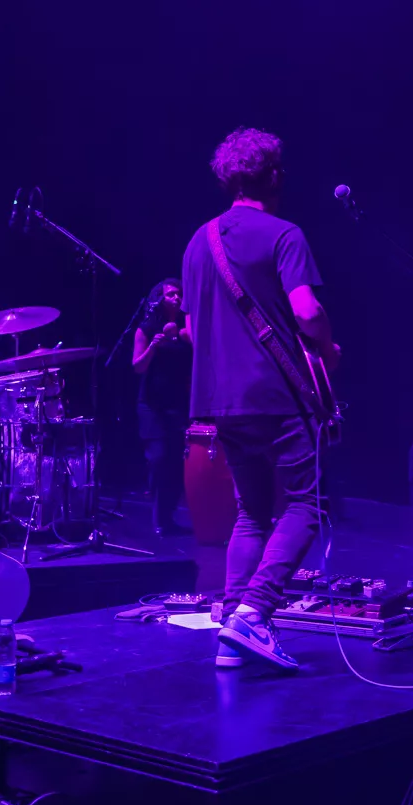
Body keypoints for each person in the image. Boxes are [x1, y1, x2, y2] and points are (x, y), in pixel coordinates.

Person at [182, 127, 340, 672]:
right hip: (277, 395)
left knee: (251, 510)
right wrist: (327, 348)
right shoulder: (284, 234)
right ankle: (256, 611)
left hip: (219, 398)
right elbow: (307, 311)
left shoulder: (198, 241)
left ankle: (232, 625)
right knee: (306, 504)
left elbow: (192, 331)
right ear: (273, 175)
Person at [131, 278, 192, 535]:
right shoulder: (147, 329)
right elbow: (138, 366)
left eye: (180, 294)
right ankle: (158, 518)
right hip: (152, 405)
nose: (177, 298)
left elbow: (196, 345)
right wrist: (154, 346)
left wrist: (182, 331)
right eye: (171, 295)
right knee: (158, 458)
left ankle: (167, 518)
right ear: (159, 299)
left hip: (178, 403)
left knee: (177, 462)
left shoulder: (186, 325)